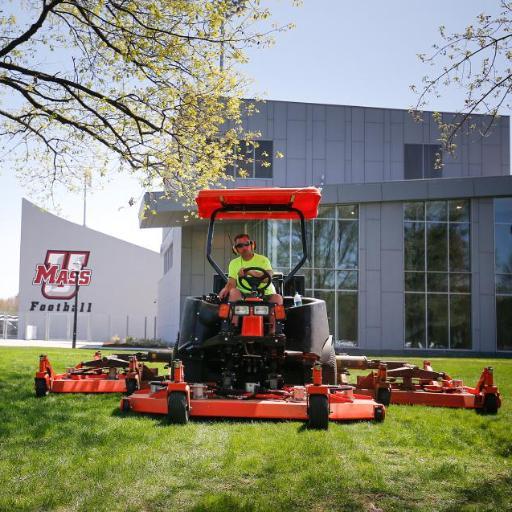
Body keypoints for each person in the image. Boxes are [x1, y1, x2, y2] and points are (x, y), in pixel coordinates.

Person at [218, 233, 283, 333]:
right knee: (234, 292)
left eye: (246, 244)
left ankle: (273, 332)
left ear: (252, 245)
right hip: (244, 295)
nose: (244, 247)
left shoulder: (263, 260)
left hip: (265, 293)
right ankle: (233, 327)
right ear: (235, 249)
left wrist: (249, 272)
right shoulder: (234, 263)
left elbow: (267, 277)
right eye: (240, 246)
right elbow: (232, 282)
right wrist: (226, 288)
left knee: (277, 298)